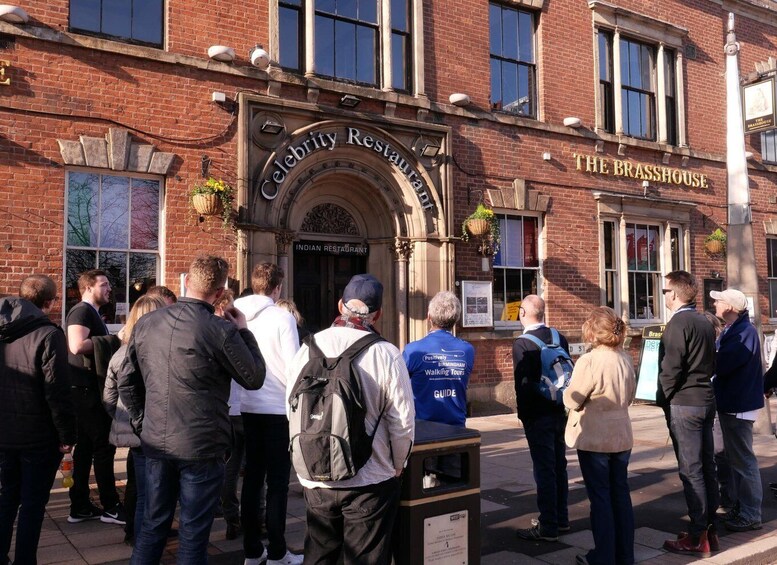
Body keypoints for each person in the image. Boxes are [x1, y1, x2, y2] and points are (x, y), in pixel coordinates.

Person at [118, 255, 267, 564]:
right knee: (192, 534)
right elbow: (253, 377)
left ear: (186, 282)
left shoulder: (147, 322)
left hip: (158, 440)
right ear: (219, 291)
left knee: (152, 526)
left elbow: (126, 381)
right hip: (199, 445)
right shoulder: (219, 329)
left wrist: (142, 421)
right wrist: (244, 331)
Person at [286, 274, 415, 564]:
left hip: (315, 476)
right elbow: (402, 421)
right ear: (378, 314)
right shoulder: (386, 354)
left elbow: (290, 406)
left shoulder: (307, 347)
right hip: (370, 478)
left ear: (340, 304)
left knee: (319, 555)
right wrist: (398, 465)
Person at [0, 276, 76, 564]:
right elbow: (57, 392)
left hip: (5, 433)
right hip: (38, 437)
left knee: (7, 497)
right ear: (50, 302)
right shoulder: (49, 335)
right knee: (31, 504)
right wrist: (67, 436)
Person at [235, 264, 301, 565]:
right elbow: (294, 368)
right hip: (276, 410)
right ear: (277, 287)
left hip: (244, 407)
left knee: (251, 480)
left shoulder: (234, 312)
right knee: (276, 484)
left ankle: (251, 550)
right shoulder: (282, 317)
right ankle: (277, 552)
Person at [563, 307, 635, 565]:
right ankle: (625, 555)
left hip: (595, 437)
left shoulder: (589, 361)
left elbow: (573, 399)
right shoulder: (625, 357)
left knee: (601, 498)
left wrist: (566, 393)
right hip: (622, 435)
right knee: (621, 495)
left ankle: (603, 556)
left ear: (594, 331)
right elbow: (629, 396)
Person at [658, 271, 718, 557]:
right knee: (707, 467)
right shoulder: (704, 321)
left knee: (691, 471)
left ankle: (697, 537)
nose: (663, 296)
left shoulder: (677, 323)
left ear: (675, 293)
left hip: (685, 403)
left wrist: (664, 399)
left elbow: (670, 370)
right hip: (705, 399)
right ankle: (709, 530)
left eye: (664, 291)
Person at [103, 295, 167, 546]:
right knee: (152, 497)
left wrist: (127, 421)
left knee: (141, 492)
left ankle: (140, 541)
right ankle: (145, 545)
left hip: (135, 432)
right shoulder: (152, 355)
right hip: (154, 433)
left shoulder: (120, 353)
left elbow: (108, 398)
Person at [65, 269, 124, 525]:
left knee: (86, 449)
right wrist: (114, 339)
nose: (109, 288)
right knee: (103, 447)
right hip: (86, 392)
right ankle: (111, 506)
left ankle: (79, 505)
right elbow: (76, 345)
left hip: (85, 390)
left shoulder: (92, 312)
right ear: (88, 287)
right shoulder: (82, 311)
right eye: (104, 284)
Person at [513, 294, 570, 542]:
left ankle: (548, 526)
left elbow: (523, 385)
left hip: (537, 416)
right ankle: (562, 518)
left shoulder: (523, 344)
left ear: (524, 313)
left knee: (544, 469)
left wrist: (524, 416)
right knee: (559, 466)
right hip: (560, 410)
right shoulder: (559, 337)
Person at [711, 288, 764, 532]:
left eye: (718, 301)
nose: (714, 304)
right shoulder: (737, 329)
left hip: (739, 404)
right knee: (737, 460)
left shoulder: (744, 332)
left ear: (730, 307)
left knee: (743, 461)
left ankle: (751, 513)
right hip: (734, 402)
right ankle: (743, 509)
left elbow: (724, 364)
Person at [402, 291, 475, 427]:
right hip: (456, 426)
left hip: (422, 426)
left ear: (429, 317)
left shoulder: (412, 350)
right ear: (456, 318)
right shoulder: (467, 350)